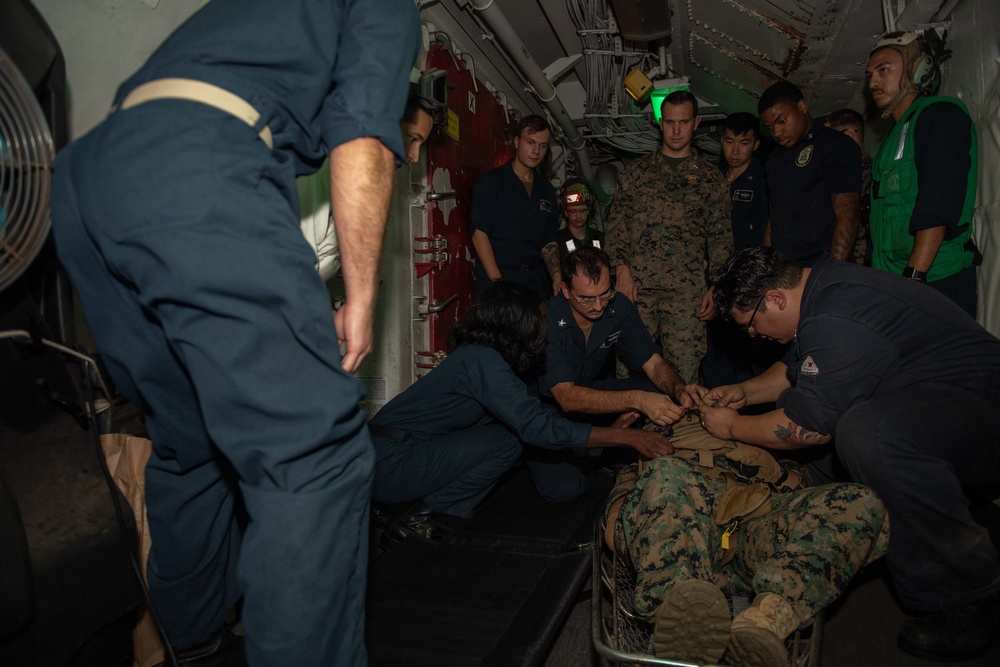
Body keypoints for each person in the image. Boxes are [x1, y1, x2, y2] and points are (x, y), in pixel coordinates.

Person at [48, 1, 420, 665]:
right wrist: (360, 295)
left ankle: (188, 643)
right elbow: (362, 136)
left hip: (88, 178)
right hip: (201, 161)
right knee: (317, 454)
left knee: (188, 443)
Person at [701, 246, 1000, 661]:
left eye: (751, 327)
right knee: (835, 427)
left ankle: (970, 595)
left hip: (985, 406)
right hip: (938, 396)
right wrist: (744, 392)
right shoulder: (819, 288)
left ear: (774, 299)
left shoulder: (835, 317)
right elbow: (796, 370)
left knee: (867, 432)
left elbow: (808, 428)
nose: (755, 336)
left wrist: (731, 426)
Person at [368, 280, 673, 545]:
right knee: (509, 441)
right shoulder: (481, 361)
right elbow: (536, 427)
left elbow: (541, 418)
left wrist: (610, 434)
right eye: (540, 319)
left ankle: (410, 511)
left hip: (398, 456)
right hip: (389, 462)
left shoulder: (489, 358)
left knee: (509, 438)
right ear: (519, 323)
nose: (546, 328)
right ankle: (416, 519)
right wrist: (625, 437)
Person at [603, 430, 889, 666]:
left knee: (861, 502)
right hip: (680, 543)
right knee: (666, 470)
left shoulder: (762, 451)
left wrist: (776, 474)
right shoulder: (644, 465)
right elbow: (615, 526)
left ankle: (762, 626)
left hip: (751, 537)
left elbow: (808, 509)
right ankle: (681, 617)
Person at [533, 246, 705, 500]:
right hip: (546, 410)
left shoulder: (618, 306)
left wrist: (679, 389)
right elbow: (567, 398)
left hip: (588, 395)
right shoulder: (547, 319)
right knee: (565, 490)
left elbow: (653, 363)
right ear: (566, 291)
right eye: (587, 298)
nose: (598, 306)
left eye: (604, 294)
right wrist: (636, 399)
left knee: (656, 391)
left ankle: (611, 462)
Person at [605, 90, 732, 383]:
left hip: (686, 294)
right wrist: (621, 269)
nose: (676, 130)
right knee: (629, 369)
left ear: (696, 123)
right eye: (670, 122)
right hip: (636, 289)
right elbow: (616, 225)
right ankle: (631, 428)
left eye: (684, 122)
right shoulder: (636, 174)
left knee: (685, 375)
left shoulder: (711, 180)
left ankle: (684, 428)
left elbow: (720, 238)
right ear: (661, 123)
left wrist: (718, 286)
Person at [866, 31, 980, 317]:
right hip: (900, 283)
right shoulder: (893, 138)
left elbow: (938, 206)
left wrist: (914, 279)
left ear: (919, 69)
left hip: (933, 282)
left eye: (883, 70)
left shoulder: (939, 115)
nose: (873, 82)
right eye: (870, 75)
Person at [758, 82, 861, 265]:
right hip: (784, 268)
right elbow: (773, 219)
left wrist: (832, 273)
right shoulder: (774, 160)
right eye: (770, 128)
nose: (777, 132)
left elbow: (848, 217)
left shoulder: (835, 145)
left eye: (781, 121)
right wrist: (766, 267)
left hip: (820, 264)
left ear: (802, 107)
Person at [703, 112, 769, 387]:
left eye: (744, 143)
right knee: (716, 352)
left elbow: (767, 231)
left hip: (745, 280)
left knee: (747, 355)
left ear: (755, 145)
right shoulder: (713, 181)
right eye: (729, 142)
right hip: (711, 279)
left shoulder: (762, 181)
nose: (735, 150)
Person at [470, 115, 562, 299]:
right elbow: (479, 234)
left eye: (542, 146)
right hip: (497, 280)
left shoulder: (546, 191)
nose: (536, 151)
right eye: (530, 142)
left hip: (532, 282)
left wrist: (557, 277)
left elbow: (548, 241)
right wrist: (498, 283)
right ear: (517, 142)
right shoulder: (491, 183)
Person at [823, 108, 873, 265]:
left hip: (860, 263)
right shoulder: (841, 174)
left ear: (850, 135)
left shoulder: (870, 174)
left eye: (831, 140)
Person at [555, 181, 604, 262]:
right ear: (566, 213)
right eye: (573, 211)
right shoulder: (558, 241)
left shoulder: (600, 238)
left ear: (588, 211)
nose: (578, 216)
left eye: (582, 211)